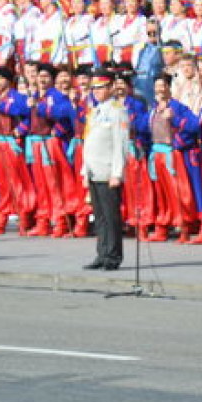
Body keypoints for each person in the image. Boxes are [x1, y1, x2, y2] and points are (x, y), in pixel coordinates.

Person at [81, 67, 128, 270]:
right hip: (94, 170)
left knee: (111, 217)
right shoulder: (95, 111)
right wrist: (85, 170)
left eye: (100, 88)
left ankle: (113, 255)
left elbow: (121, 145)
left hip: (108, 171)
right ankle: (102, 253)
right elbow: (89, 142)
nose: (96, 92)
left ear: (110, 87)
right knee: (99, 217)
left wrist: (117, 173)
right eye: (94, 88)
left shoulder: (118, 111)